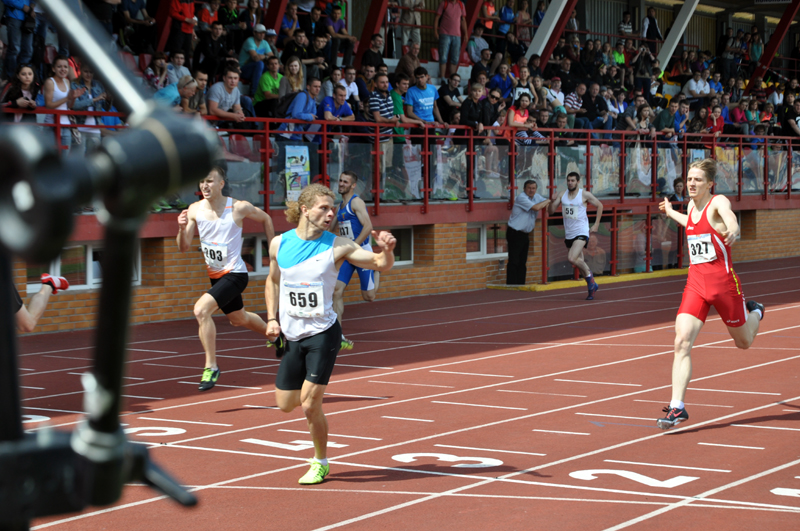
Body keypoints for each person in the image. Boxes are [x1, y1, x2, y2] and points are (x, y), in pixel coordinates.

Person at [264, 184, 396, 484]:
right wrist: (271, 318)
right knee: (286, 405)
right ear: (305, 209)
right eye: (323, 207)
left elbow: (378, 264)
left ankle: (320, 461)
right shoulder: (279, 244)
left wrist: (387, 251)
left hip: (323, 332)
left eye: (333, 208)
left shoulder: (338, 246)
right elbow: (272, 282)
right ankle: (309, 398)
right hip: (292, 335)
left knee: (310, 404)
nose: (330, 213)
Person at [656, 159, 765, 430]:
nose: (691, 184)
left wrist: (735, 230)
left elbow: (730, 219)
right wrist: (670, 212)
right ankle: (677, 408)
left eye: (697, 180)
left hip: (724, 286)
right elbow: (690, 225)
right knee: (681, 341)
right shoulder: (692, 206)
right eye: (689, 179)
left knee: (744, 342)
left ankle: (756, 311)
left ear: (709, 184)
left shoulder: (718, 202)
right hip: (696, 284)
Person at [176, 167, 275, 391]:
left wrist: (273, 251)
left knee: (201, 310)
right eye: (202, 181)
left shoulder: (238, 207)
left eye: (210, 181)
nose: (205, 186)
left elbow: (266, 218)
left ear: (221, 184)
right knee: (239, 319)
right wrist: (181, 229)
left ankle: (211, 366)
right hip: (216, 276)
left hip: (236, 274)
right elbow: (183, 247)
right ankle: (275, 335)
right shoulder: (194, 210)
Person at [329, 171, 381, 349]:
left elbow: (368, 227)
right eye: (340, 180)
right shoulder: (339, 207)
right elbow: (330, 230)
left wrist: (354, 247)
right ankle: (338, 335)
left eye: (345, 182)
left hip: (361, 251)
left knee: (369, 297)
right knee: (336, 291)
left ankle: (376, 269)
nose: (341, 184)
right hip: (347, 254)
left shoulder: (356, 202)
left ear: (352, 186)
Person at [548, 172, 603, 299]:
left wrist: (596, 224)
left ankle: (591, 281)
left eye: (573, 180)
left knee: (572, 258)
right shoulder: (562, 194)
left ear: (578, 182)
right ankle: (592, 288)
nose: (570, 183)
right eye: (568, 180)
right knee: (580, 262)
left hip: (581, 231)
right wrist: (552, 201)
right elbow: (551, 211)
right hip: (569, 234)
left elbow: (599, 205)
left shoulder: (584, 194)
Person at [506, 179, 549, 285]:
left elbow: (546, 206)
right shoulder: (521, 198)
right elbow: (536, 207)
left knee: (522, 262)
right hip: (515, 233)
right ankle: (511, 285)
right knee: (514, 261)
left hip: (525, 234)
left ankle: (521, 284)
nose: (531, 190)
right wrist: (549, 200)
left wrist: (548, 202)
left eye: (533, 188)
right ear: (524, 189)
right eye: (529, 188)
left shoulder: (537, 197)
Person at [43, 56, 81, 153]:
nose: (63, 69)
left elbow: (68, 106)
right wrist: (67, 98)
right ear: (53, 68)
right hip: (52, 124)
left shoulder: (67, 81)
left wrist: (73, 98)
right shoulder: (50, 82)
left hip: (66, 125)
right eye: (59, 67)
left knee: (65, 157)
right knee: (52, 157)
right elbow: (48, 105)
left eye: (65, 67)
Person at [434, 0, 467, 80]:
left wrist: (466, 33)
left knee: (455, 58)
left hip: (457, 35)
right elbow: (437, 18)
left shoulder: (461, 4)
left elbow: (463, 20)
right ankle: (442, 77)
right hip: (445, 34)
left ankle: (453, 78)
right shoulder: (444, 3)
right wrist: (435, 31)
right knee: (443, 56)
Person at [3, 0, 34, 80]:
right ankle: (11, 78)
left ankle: (22, 77)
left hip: (28, 17)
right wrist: (23, 6)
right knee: (14, 49)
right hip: (14, 16)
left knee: (27, 51)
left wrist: (32, 6)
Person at [238, 24, 270, 96]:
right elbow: (256, 58)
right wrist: (266, 56)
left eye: (264, 33)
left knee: (273, 65)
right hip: (243, 69)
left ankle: (270, 90)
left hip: (256, 70)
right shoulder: (249, 41)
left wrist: (264, 56)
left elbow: (272, 58)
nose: (262, 35)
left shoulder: (265, 43)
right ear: (254, 33)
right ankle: (254, 93)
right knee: (259, 64)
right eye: (260, 33)